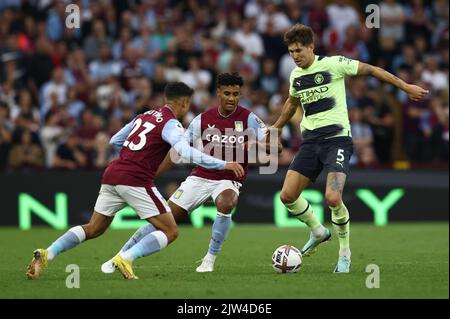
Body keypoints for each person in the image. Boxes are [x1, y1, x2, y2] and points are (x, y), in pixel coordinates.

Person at [26, 82, 244, 280]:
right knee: (171, 231)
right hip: (136, 179)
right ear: (184, 103)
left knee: (93, 228)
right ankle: (127, 258)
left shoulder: (144, 116)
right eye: (188, 105)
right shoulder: (171, 124)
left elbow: (115, 140)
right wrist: (223, 164)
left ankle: (48, 253)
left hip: (113, 174)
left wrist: (136, 154)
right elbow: (185, 152)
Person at [271, 24, 428, 273]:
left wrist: (405, 87)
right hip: (310, 143)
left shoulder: (333, 64)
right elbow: (292, 103)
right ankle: (319, 231)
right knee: (287, 196)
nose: (295, 56)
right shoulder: (295, 76)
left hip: (336, 141)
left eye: (298, 50)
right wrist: (277, 128)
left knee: (333, 198)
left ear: (311, 47)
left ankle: (344, 253)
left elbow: (372, 70)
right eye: (291, 52)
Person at [101, 72, 269, 273]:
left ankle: (209, 260)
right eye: (227, 93)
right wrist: (152, 175)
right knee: (165, 219)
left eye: (236, 94)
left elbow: (275, 147)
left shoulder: (249, 118)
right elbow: (176, 153)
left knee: (227, 202)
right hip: (199, 177)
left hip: (229, 179)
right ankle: (120, 256)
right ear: (218, 93)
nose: (232, 98)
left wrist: (257, 142)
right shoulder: (202, 120)